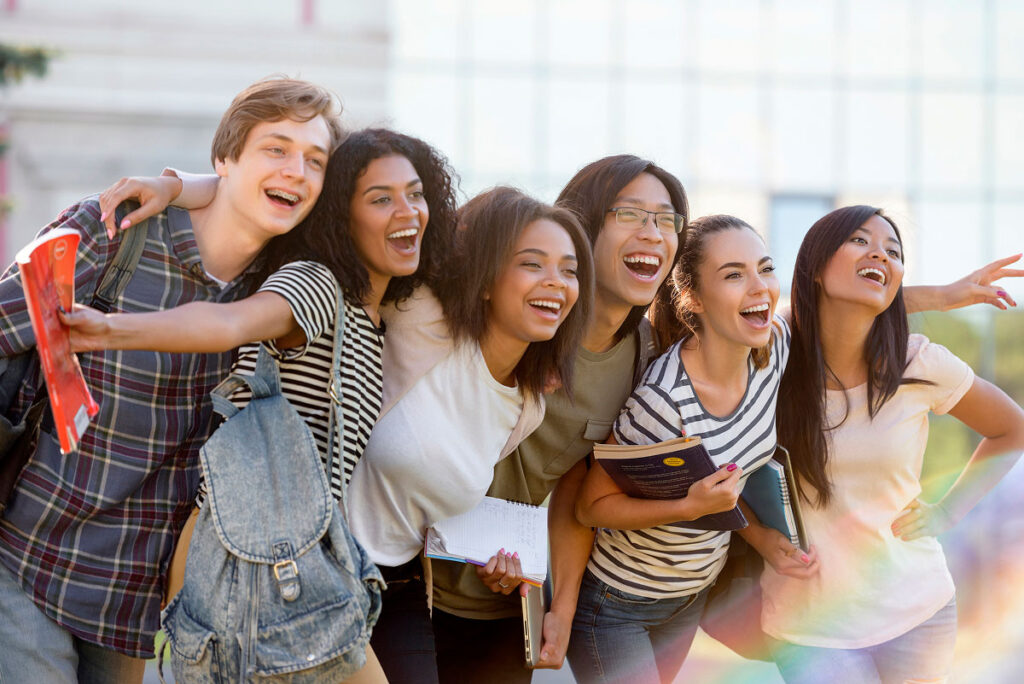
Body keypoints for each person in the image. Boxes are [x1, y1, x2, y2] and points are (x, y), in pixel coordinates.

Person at [63, 127, 459, 681]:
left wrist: (174, 186)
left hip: (285, 558)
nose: (408, 211)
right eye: (380, 198)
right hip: (241, 558)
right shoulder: (319, 286)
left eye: (415, 194)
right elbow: (230, 322)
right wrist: (111, 330)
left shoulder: (376, 317)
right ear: (338, 216)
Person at [0, 77, 341, 683]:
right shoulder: (115, 234)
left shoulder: (279, 293)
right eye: (277, 149)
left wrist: (180, 184)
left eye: (314, 161)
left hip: (132, 604)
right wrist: (174, 184)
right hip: (26, 555)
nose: (297, 171)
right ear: (225, 158)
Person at [427, 154, 688, 683]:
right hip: (410, 581)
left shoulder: (645, 355)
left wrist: (561, 609)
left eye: (666, 219)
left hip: (504, 600)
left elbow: (574, 485)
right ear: (582, 225)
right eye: (630, 214)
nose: (652, 233)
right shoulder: (516, 312)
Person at [765, 206, 1024, 684]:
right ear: (816, 266)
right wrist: (944, 296)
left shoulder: (918, 361)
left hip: (917, 612)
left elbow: (1013, 428)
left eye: (894, 250)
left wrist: (948, 511)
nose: (880, 254)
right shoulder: (772, 356)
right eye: (861, 241)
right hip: (809, 625)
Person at [347, 185, 595, 684]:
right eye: (532, 263)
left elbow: (432, 491)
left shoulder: (527, 406)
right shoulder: (418, 318)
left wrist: (495, 561)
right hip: (326, 562)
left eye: (569, 270)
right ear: (485, 280)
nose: (557, 282)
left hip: (400, 582)